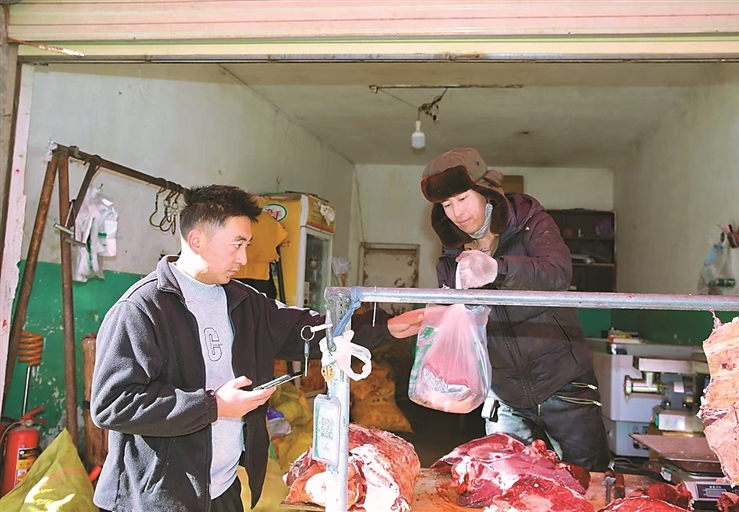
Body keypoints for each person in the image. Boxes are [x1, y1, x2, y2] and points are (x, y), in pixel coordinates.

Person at [90, 185, 423, 512]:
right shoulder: (141, 310)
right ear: (196, 240)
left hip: (222, 489)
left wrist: (386, 329)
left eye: (246, 245)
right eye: (237, 245)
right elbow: (112, 404)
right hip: (155, 499)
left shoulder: (243, 301)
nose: (244, 258)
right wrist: (213, 406)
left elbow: (308, 330)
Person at [419, 147, 610, 471]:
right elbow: (459, 319)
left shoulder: (530, 222)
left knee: (586, 480)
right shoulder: (452, 254)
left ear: (485, 191)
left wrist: (497, 269)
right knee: (506, 483)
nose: (457, 212)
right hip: (504, 394)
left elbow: (558, 272)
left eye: (462, 198)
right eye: (446, 205)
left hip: (563, 382)